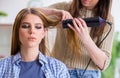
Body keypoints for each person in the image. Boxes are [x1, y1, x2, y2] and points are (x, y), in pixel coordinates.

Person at [39, 0, 114, 78]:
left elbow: (103, 64)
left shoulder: (107, 20)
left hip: (87, 75)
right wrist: (54, 12)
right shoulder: (64, 8)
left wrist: (86, 38)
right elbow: (28, 12)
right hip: (58, 71)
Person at [0, 8, 70, 78]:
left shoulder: (58, 68)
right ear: (16, 31)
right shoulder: (2, 66)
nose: (32, 31)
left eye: (38, 27)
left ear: (43, 33)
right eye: (26, 26)